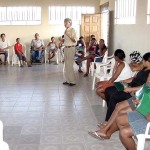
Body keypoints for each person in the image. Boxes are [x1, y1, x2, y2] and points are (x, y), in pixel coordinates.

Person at [88, 53, 150, 140]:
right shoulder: (144, 69)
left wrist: (133, 90)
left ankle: (106, 131)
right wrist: (127, 84)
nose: (142, 62)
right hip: (139, 97)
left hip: (143, 102)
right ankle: (106, 129)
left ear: (148, 61)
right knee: (119, 106)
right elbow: (143, 85)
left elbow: (146, 87)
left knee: (121, 110)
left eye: (144, 60)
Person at [63, 18, 77, 86]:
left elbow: (74, 40)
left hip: (71, 48)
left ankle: (72, 81)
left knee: (70, 65)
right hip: (66, 48)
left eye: (66, 22)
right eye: (64, 22)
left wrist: (68, 35)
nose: (65, 24)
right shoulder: (66, 30)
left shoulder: (72, 30)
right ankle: (68, 80)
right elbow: (66, 40)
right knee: (66, 65)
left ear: (70, 23)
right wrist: (61, 40)